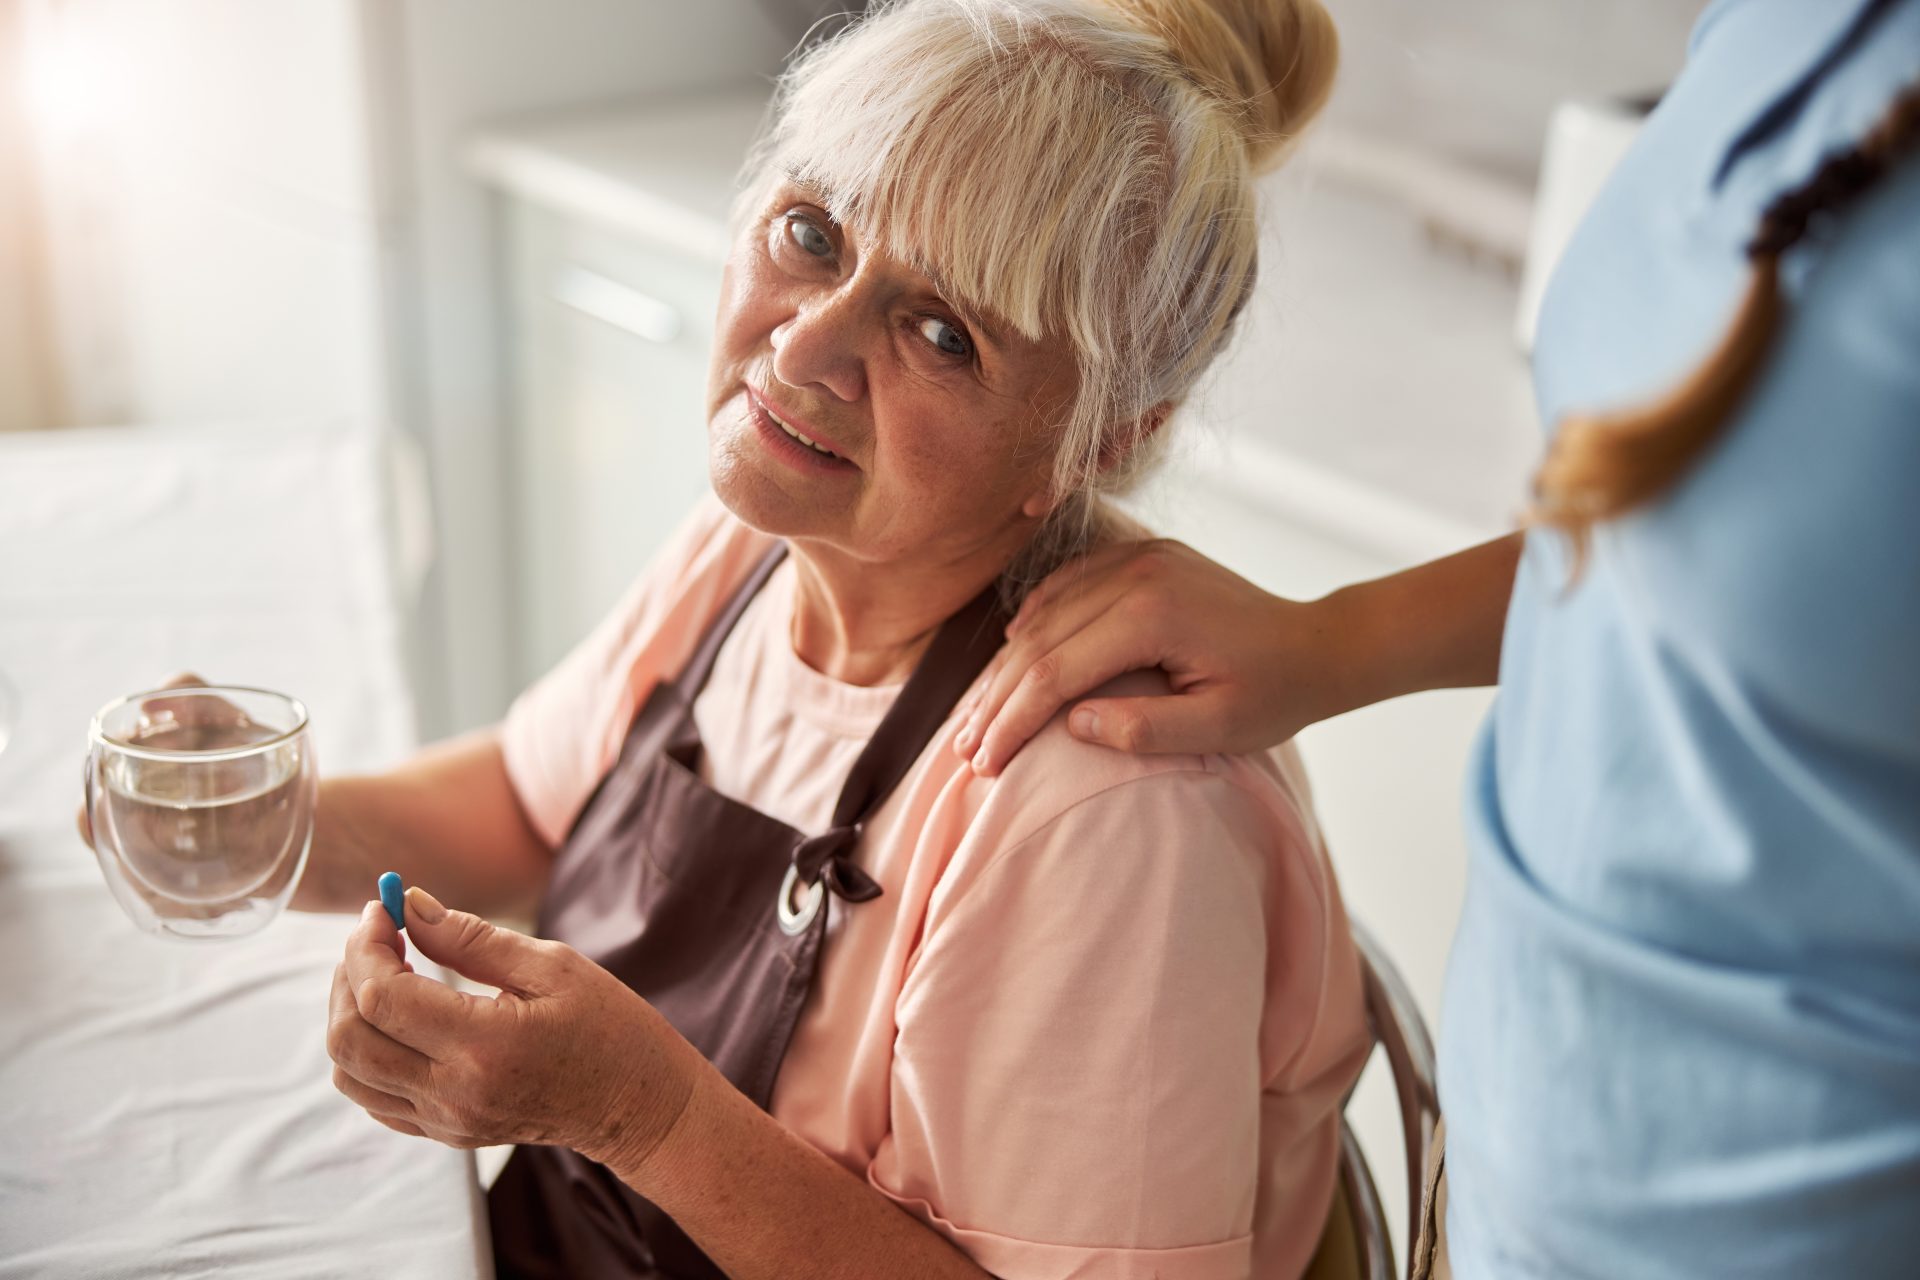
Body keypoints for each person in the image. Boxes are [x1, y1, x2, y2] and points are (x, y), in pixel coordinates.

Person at [87, 3, 1371, 1277]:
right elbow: (530, 808)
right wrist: (261, 822)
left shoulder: (1110, 802)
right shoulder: (759, 544)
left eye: (942, 334)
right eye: (812, 233)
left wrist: (639, 1115)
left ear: (1100, 441)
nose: (804, 347)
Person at [956, 1, 1920, 1276]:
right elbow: (1707, 542)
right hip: (1538, 1165)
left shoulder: (1123, 827)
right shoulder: (1786, 29)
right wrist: (1336, 643)